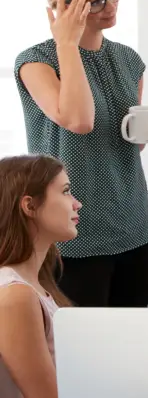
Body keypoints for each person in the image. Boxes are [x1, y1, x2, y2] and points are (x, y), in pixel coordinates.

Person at [14, 0, 148, 309]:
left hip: (132, 223)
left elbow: (124, 145)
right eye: (95, 1)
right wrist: (67, 43)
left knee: (130, 340)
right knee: (81, 349)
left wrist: (146, 133)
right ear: (62, 7)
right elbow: (78, 121)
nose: (110, 5)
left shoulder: (129, 60)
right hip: (73, 234)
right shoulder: (36, 62)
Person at [0, 155, 81, 398]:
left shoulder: (35, 282)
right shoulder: (16, 296)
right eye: (66, 191)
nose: (77, 204)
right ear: (30, 206)